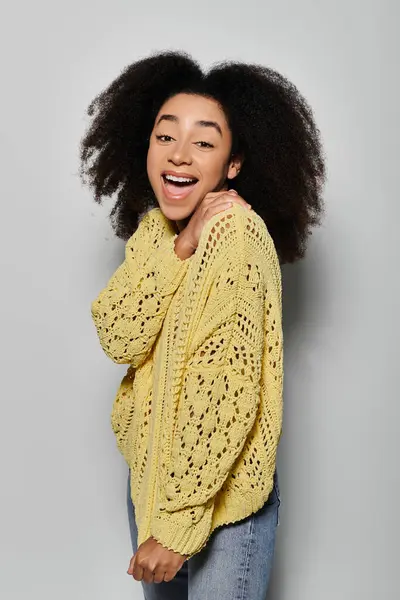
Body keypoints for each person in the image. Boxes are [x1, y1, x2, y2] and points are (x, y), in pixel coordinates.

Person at [80, 50, 325, 599]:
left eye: (205, 142)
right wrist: (179, 248)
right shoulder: (154, 233)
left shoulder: (237, 237)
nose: (181, 155)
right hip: (152, 485)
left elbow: (226, 389)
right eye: (166, 136)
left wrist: (178, 524)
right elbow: (119, 335)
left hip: (219, 504)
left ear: (232, 165)